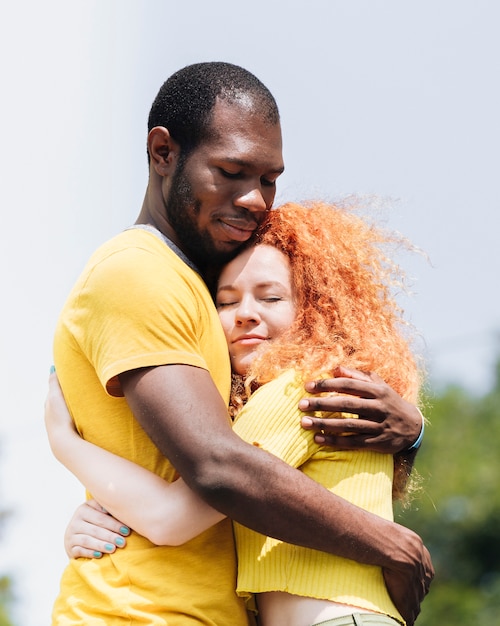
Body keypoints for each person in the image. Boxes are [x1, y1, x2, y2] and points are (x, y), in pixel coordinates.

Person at [50, 61, 432, 625]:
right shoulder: (138, 273)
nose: (255, 198)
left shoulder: (201, 289)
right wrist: (390, 545)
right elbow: (219, 467)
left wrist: (413, 435)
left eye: (269, 179)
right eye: (231, 170)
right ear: (163, 154)